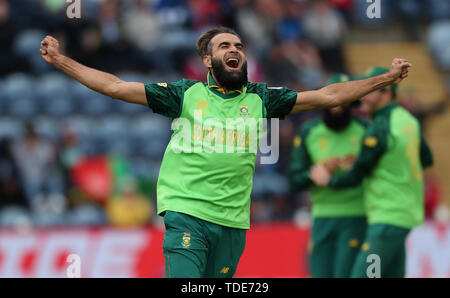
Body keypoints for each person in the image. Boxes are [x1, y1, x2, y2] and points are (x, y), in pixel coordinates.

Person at [40, 27, 412, 278]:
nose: (234, 50)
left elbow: (329, 95)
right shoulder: (184, 94)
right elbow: (117, 87)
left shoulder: (262, 98)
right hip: (186, 213)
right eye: (224, 46)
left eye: (238, 46)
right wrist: (62, 61)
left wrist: (386, 78)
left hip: (233, 223)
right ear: (208, 60)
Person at [310, 67, 433, 278]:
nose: (362, 95)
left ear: (386, 93)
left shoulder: (378, 129)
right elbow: (426, 159)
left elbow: (356, 175)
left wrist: (327, 180)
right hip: (404, 215)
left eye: (370, 89)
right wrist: (389, 164)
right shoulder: (408, 120)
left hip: (386, 218)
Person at [289, 74, 369, 278]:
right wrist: (318, 172)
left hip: (357, 215)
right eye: (334, 97)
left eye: (344, 98)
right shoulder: (310, 131)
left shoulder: (366, 130)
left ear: (352, 102)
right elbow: (295, 179)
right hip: (321, 217)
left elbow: (373, 172)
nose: (338, 104)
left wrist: (346, 170)